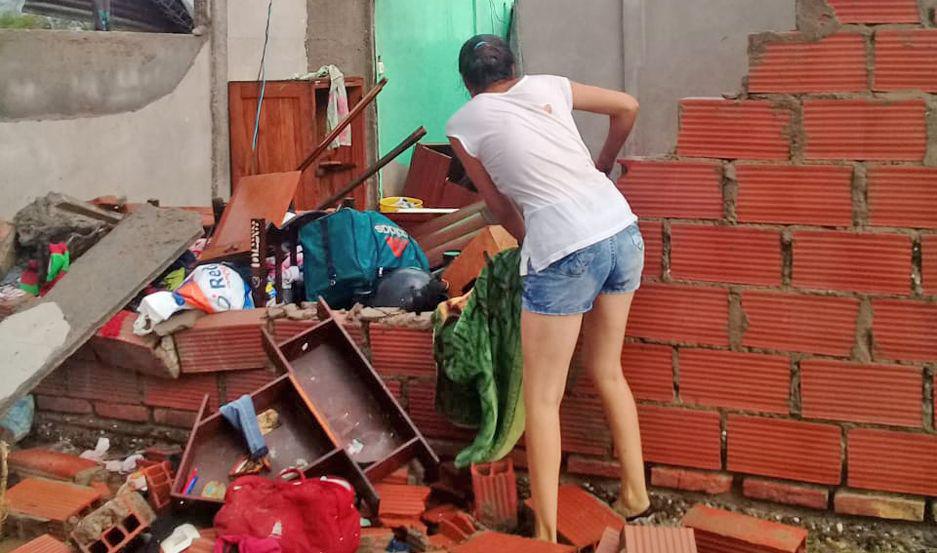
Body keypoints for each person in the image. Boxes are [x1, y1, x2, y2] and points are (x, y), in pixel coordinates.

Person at [445, 34, 650, 542]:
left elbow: (498, 205)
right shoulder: (549, 85)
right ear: (515, 66)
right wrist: (603, 162)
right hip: (621, 230)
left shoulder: (464, 123)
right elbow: (627, 106)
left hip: (565, 250)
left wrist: (529, 240)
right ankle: (636, 496)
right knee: (607, 370)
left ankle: (545, 533)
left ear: (468, 84)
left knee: (540, 399)